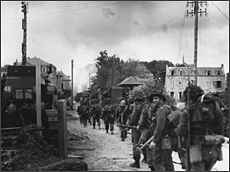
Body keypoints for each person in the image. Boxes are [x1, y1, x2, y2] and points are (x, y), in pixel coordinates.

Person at [175, 85, 225, 171]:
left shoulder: (189, 110)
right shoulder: (213, 105)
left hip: (195, 147)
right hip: (213, 145)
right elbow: (221, 124)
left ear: (189, 97)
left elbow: (182, 130)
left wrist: (176, 131)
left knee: (196, 168)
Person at [148, 91, 175, 171]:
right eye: (153, 99)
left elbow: (160, 127)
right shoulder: (166, 108)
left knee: (158, 160)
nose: (154, 101)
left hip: (163, 139)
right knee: (167, 161)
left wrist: (155, 141)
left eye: (156, 98)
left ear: (161, 100)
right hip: (166, 138)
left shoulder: (162, 109)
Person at [127, 91, 145, 168]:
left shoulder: (137, 107)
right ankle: (146, 159)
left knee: (136, 145)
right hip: (145, 129)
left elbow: (134, 117)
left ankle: (136, 162)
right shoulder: (146, 106)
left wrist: (129, 125)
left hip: (137, 129)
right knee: (143, 144)